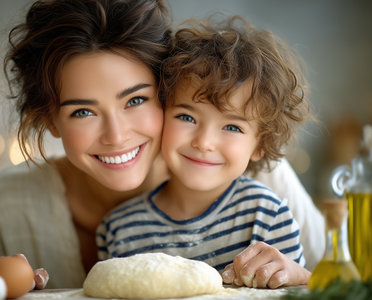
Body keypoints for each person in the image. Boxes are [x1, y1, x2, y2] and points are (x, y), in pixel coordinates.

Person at [0, 0, 322, 289]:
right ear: (50, 119)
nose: (116, 135)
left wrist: (299, 276)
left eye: (135, 100)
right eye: (83, 111)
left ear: (166, 92)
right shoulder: (4, 214)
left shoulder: (259, 176)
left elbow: (347, 283)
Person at [96, 15, 312, 288]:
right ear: (161, 116)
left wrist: (297, 279)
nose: (204, 142)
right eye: (187, 118)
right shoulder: (119, 229)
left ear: (260, 144)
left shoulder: (268, 217)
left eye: (232, 127)